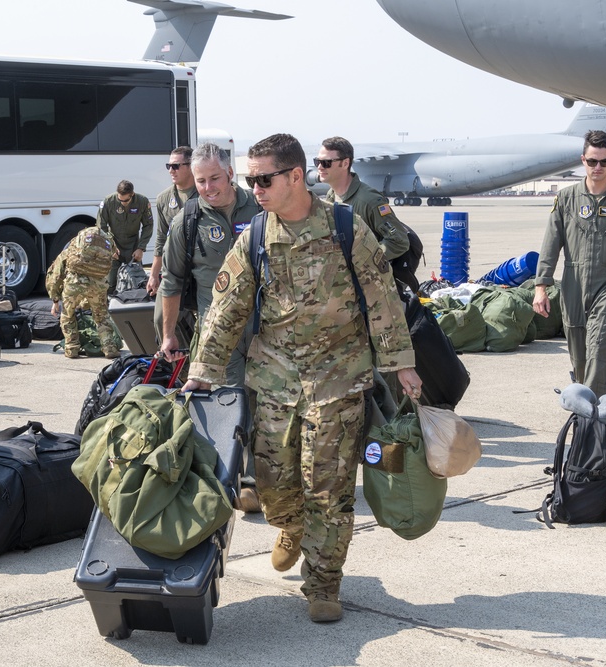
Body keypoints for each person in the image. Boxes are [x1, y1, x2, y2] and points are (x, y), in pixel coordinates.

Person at [182, 133, 422, 623]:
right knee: (271, 485)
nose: (257, 188)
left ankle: (323, 584)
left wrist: (403, 365)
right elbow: (225, 310)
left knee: (328, 490)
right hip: (273, 383)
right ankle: (289, 525)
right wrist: (202, 373)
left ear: (295, 176)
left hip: (339, 381)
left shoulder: (344, 227)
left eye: (264, 179)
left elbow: (382, 299)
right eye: (252, 180)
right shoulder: (253, 236)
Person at [159, 142, 262, 512]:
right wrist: (168, 333)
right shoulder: (187, 221)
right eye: (200, 180)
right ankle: (243, 480)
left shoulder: (261, 207)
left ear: (230, 173)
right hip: (219, 333)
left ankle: (267, 477)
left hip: (268, 327)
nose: (207, 188)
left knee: (269, 400)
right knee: (234, 402)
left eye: (214, 178)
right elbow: (170, 282)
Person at [533, 130, 606, 397]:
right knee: (579, 352)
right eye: (592, 161)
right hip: (573, 281)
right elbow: (551, 242)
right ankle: (585, 401)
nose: (598, 167)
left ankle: (592, 415)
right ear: (582, 160)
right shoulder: (566, 199)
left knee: (600, 347)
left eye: (605, 162)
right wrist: (541, 285)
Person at [317, 137, 417, 289]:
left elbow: (398, 240)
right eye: (317, 161)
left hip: (371, 285)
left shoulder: (368, 200)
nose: (320, 167)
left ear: (345, 163)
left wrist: (364, 260)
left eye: (326, 163)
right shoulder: (331, 197)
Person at [46, 227, 122, 359]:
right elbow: (115, 255)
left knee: (68, 315)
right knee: (102, 317)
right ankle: (109, 348)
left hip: (74, 284)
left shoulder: (71, 249)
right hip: (98, 285)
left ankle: (71, 349)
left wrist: (55, 299)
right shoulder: (106, 246)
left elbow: (55, 275)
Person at [148, 147, 198, 340]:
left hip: (200, 267)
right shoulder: (164, 199)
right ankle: (178, 366)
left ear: (191, 167)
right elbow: (161, 238)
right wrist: (153, 274)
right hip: (173, 268)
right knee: (161, 320)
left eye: (176, 166)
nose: (171, 170)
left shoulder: (205, 195)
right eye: (169, 166)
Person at [96, 180, 154, 294]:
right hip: (115, 245)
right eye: (120, 200)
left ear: (132, 194)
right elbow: (101, 226)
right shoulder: (109, 202)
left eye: (126, 200)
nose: (123, 203)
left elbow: (148, 225)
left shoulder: (142, 202)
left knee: (137, 282)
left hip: (133, 246)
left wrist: (141, 248)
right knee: (110, 284)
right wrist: (110, 246)